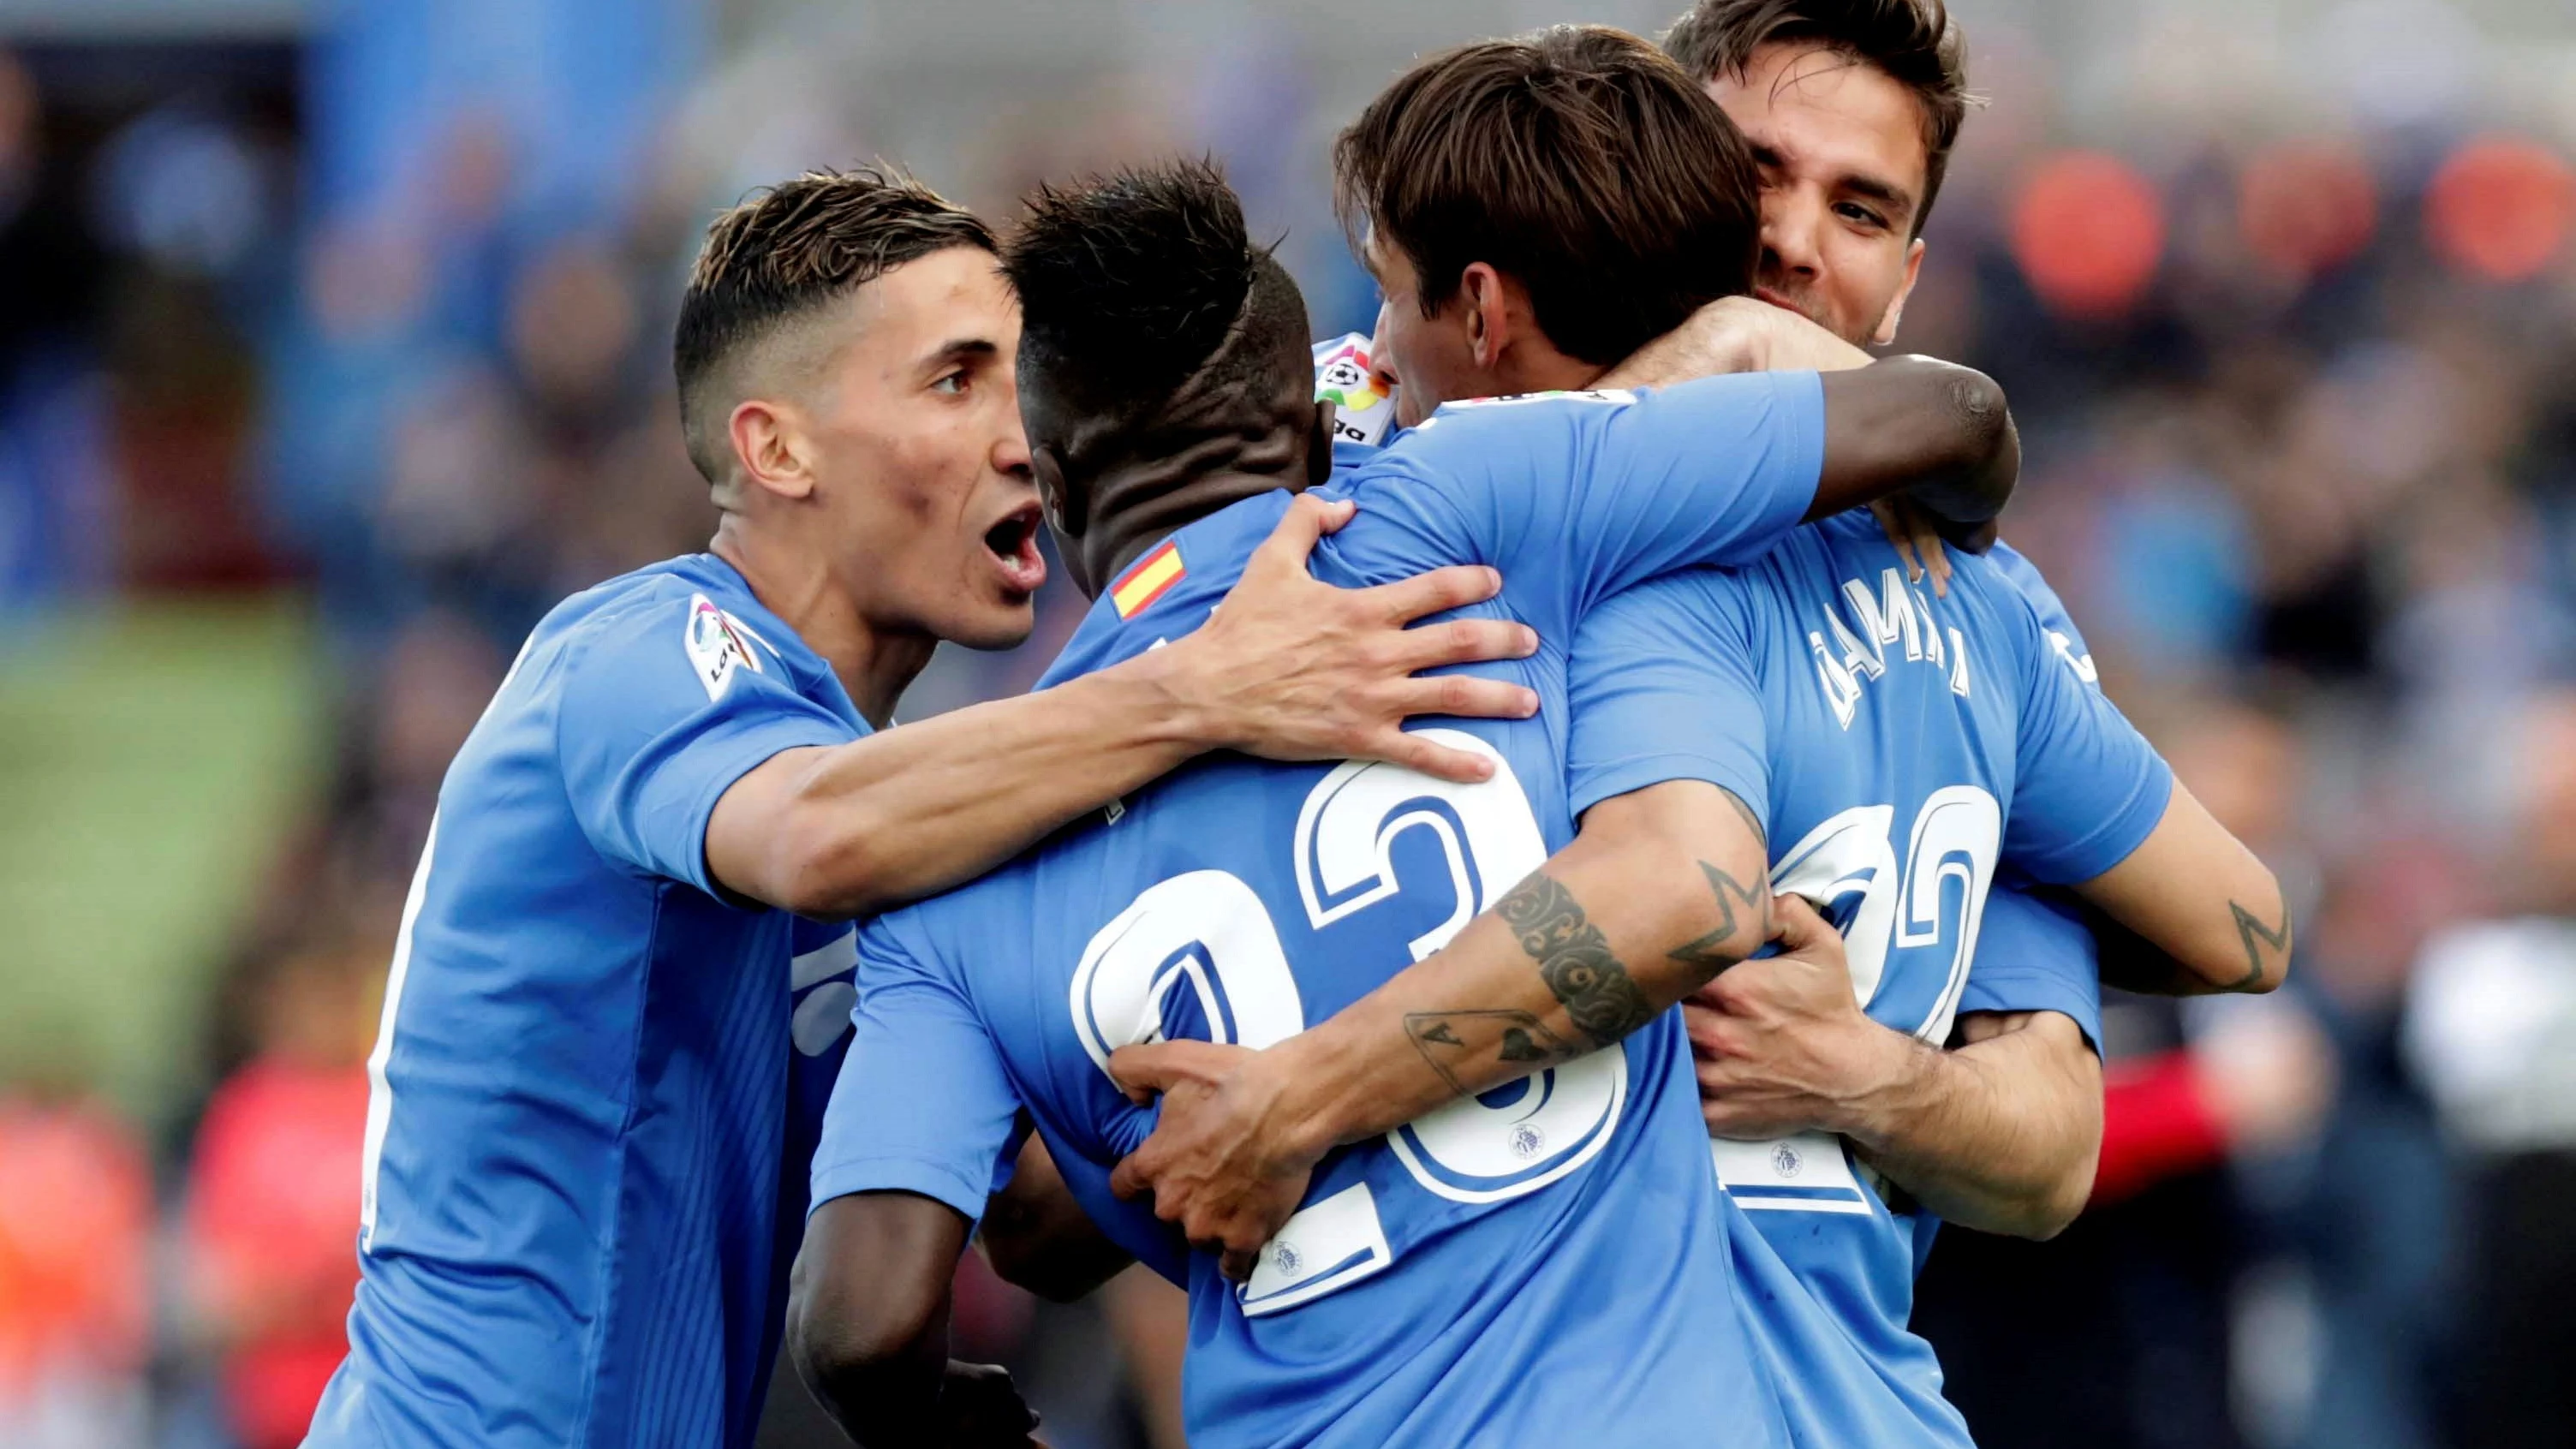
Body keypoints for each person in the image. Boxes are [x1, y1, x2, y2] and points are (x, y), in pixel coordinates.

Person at [787, 30, 2020, 1446]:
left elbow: (869, 1321)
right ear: (1316, 434)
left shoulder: (950, 878)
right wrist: (1726, 349)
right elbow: (1954, 419)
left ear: (1054, 489)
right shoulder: (1471, 498)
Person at [301, 168, 1552, 1449]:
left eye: (1021, 382)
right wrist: (1206, 690)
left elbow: (1039, 1219)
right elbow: (814, 835)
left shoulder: (929, 814)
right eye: (956, 381)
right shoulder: (639, 649)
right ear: (775, 447)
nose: (1020, 432)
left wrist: (1371, 1037)